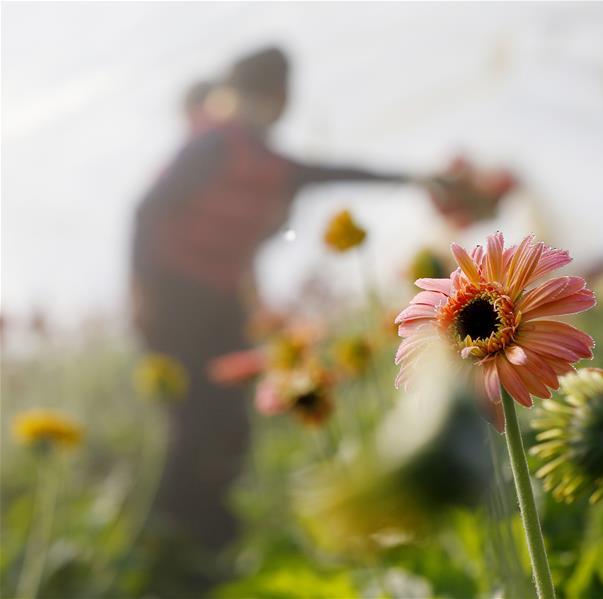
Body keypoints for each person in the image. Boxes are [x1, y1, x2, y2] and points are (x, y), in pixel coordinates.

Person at [130, 46, 477, 588]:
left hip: (219, 302)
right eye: (262, 92)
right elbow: (146, 211)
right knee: (193, 424)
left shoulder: (270, 162)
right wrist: (142, 293)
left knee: (228, 425)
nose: (269, 105)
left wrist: (417, 180)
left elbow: (337, 171)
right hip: (173, 297)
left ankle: (210, 547)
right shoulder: (212, 146)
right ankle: (162, 552)